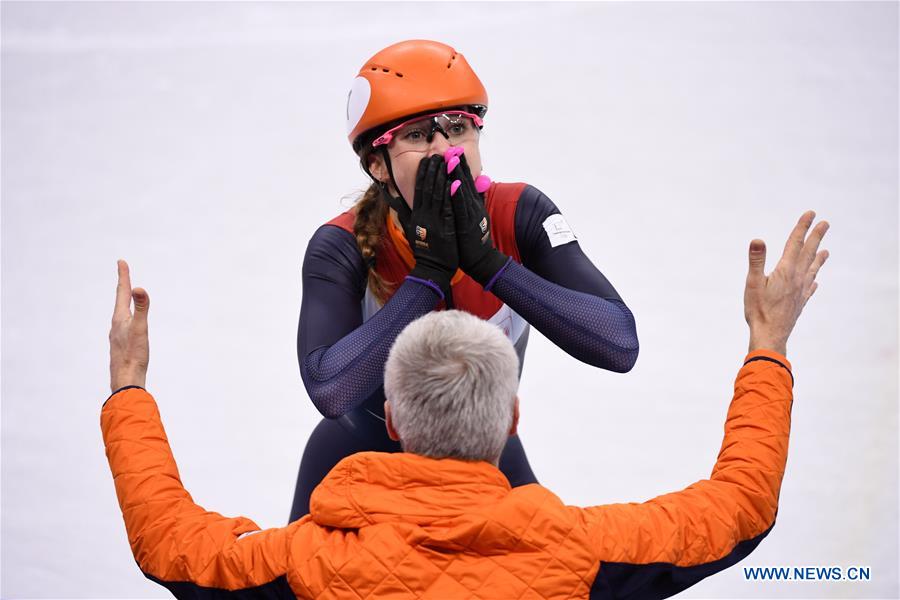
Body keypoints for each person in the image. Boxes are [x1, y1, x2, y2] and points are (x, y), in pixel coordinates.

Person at [103, 210, 829, 598]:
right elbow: (740, 506)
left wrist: (129, 389)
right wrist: (768, 344)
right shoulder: (578, 555)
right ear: (512, 420)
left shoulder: (305, 562)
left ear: (387, 419)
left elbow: (168, 540)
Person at [292, 39, 640, 519]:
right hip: (362, 461)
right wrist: (430, 275)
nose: (445, 151)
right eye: (417, 135)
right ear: (378, 164)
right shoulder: (341, 244)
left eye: (457, 128)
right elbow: (330, 391)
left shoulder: (520, 214)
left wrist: (488, 263)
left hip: (490, 463)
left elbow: (619, 344)